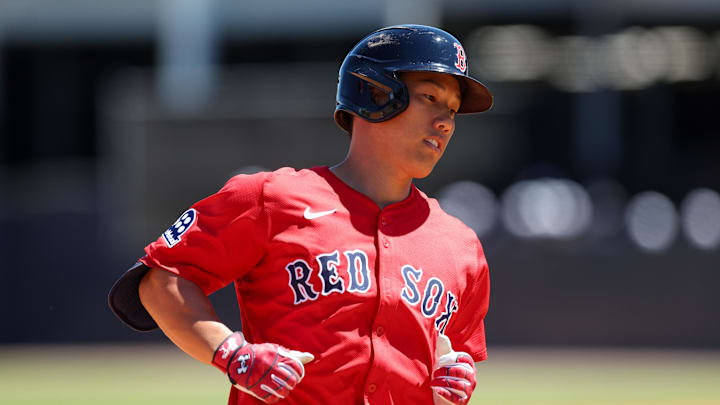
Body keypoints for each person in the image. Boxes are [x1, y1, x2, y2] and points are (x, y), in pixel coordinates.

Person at [109, 24, 492, 405]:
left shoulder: (461, 246)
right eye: (430, 96)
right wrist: (231, 354)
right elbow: (162, 283)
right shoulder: (271, 199)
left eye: (454, 111)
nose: (445, 121)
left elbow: (454, 355)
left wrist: (454, 380)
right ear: (375, 92)